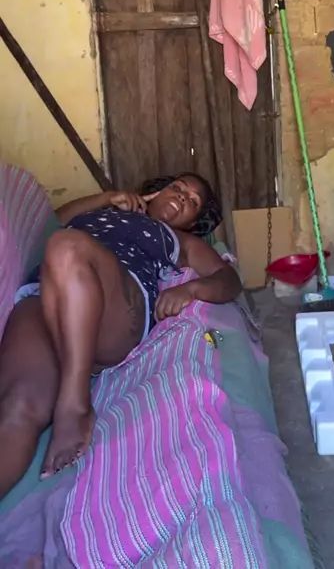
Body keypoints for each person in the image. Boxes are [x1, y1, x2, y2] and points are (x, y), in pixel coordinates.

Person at [0, 173, 240, 500]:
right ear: (155, 192)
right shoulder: (101, 212)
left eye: (193, 202)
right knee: (18, 408)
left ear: (192, 223)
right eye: (178, 188)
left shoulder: (179, 239)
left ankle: (74, 404)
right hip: (44, 297)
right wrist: (106, 199)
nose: (183, 197)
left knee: (65, 247)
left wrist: (192, 288)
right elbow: (51, 221)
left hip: (115, 306)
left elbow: (228, 279)